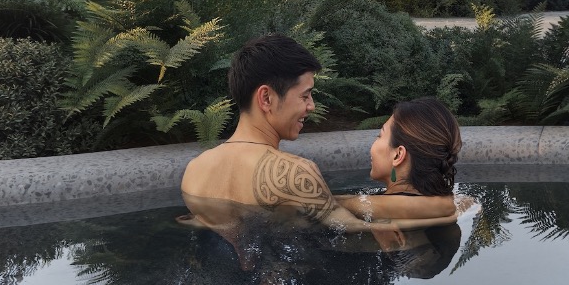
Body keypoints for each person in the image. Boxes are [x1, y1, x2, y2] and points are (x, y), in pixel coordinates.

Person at [181, 35, 461, 236]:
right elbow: (351, 231)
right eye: (305, 95)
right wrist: (448, 212)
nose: (311, 106)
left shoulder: (194, 171)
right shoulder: (295, 173)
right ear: (266, 98)